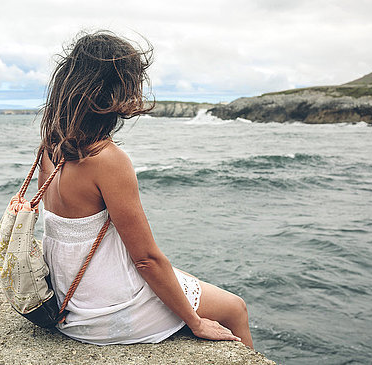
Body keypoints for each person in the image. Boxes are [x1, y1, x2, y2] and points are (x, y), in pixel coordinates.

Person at [36, 30, 253, 348]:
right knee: (234, 308)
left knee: (178, 276)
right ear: (114, 90)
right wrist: (195, 322)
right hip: (103, 313)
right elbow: (146, 260)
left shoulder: (50, 145)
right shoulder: (107, 159)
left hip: (67, 303)